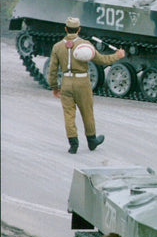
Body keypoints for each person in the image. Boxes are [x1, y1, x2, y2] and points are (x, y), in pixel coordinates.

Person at [49, 17, 125, 154]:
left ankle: (73, 144)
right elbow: (102, 60)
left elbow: (52, 70)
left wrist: (54, 87)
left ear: (65, 29)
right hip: (82, 82)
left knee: (68, 114)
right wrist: (117, 56)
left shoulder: (57, 47)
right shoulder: (85, 44)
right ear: (79, 29)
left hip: (66, 82)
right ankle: (91, 141)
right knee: (87, 112)